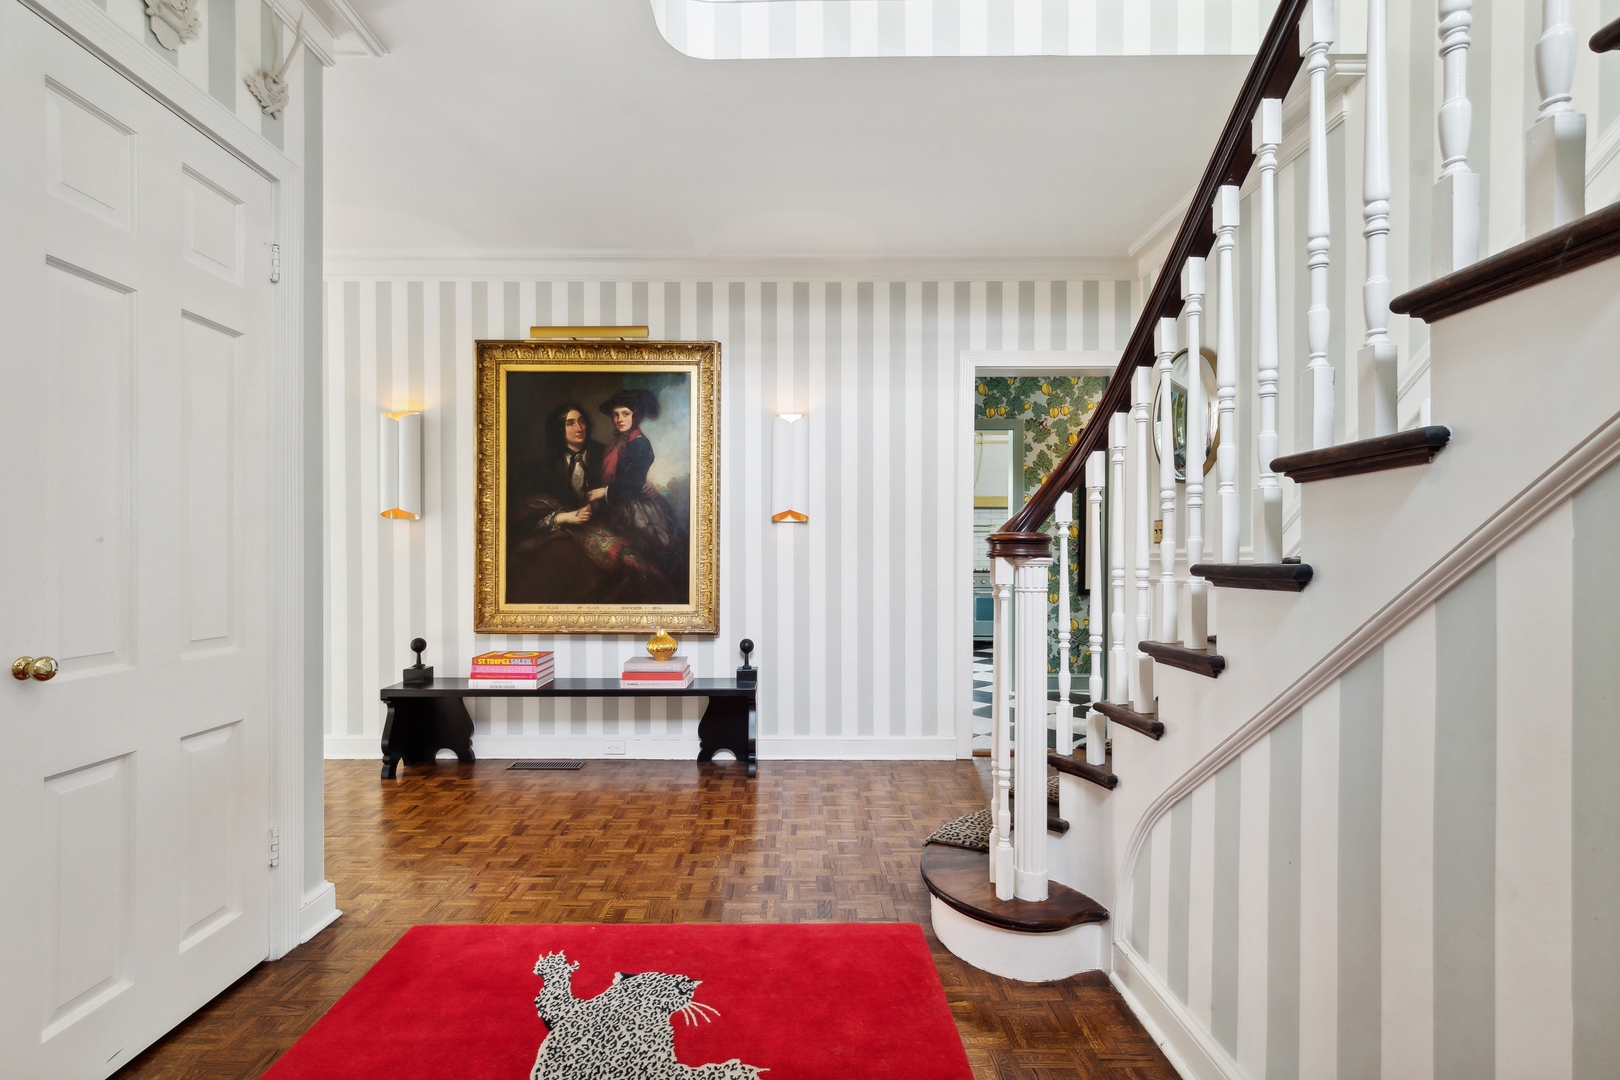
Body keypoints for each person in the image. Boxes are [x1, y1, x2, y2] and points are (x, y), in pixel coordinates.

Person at [506, 402, 673, 604]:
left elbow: (628, 481)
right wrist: (564, 517)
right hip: (563, 531)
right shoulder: (544, 466)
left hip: (608, 526)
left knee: (634, 572)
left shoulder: (607, 454)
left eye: (582, 421)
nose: (579, 428)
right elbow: (525, 511)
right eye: (570, 423)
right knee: (563, 562)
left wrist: (646, 487)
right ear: (559, 429)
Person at [587, 388, 681, 563]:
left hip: (634, 507)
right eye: (615, 415)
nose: (619, 419)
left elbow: (634, 482)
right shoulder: (619, 442)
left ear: (635, 416)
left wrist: (604, 492)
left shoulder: (640, 444)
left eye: (625, 414)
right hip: (617, 502)